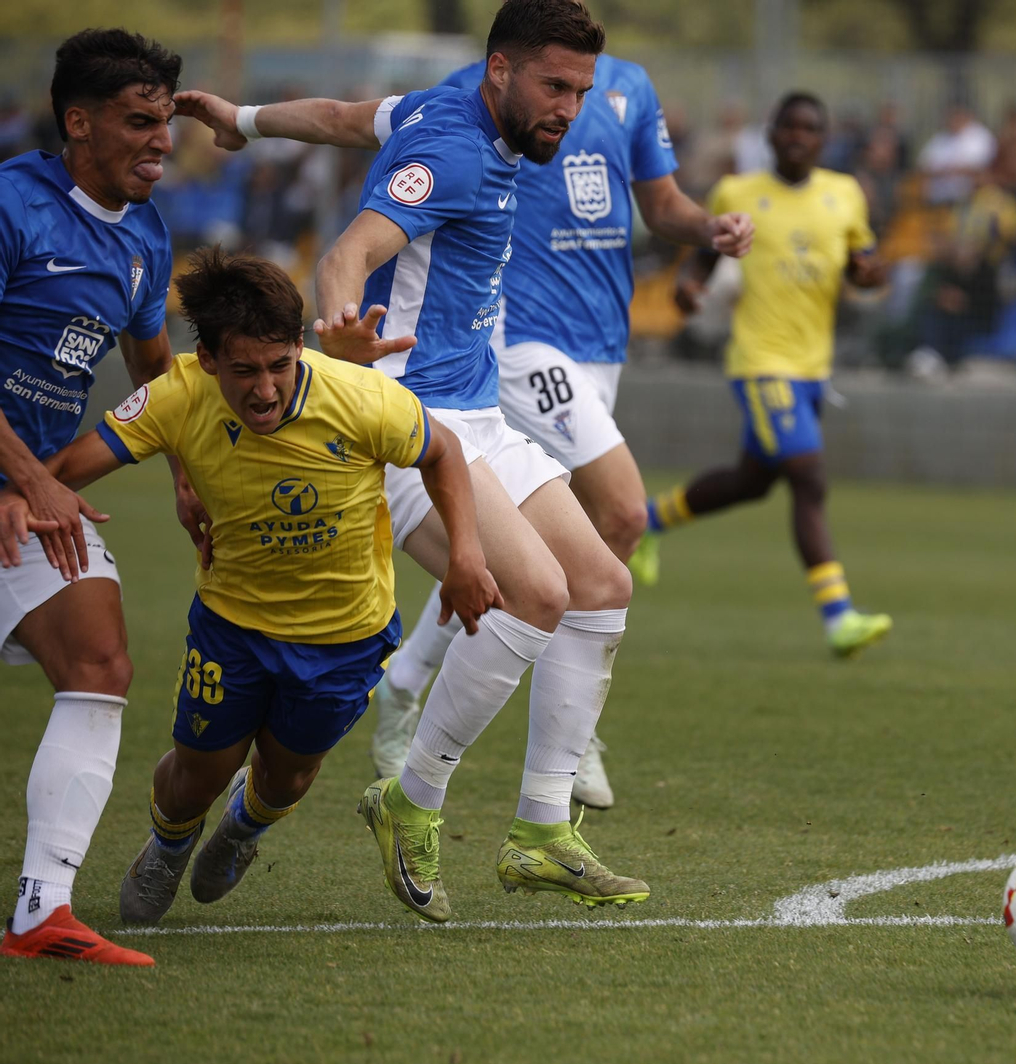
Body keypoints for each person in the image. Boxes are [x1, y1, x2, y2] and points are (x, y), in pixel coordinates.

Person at [175, 0, 646, 920]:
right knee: (538, 593)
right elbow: (350, 252)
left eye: (583, 91)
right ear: (500, 71)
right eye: (555, 86)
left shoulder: (441, 106)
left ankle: (544, 828)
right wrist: (342, 349)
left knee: (602, 582)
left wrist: (242, 121)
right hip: (410, 423)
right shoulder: (456, 152)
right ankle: (409, 798)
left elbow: (350, 120)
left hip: (476, 412)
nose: (570, 108)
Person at [9, 249, 492, 926]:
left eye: (278, 365)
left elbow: (442, 453)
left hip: (345, 635)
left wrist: (466, 553)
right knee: (194, 774)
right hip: (232, 624)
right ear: (207, 359)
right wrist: (25, 492)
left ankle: (241, 831)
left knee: (287, 774)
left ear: (300, 345)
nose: (264, 388)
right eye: (243, 371)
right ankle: (170, 845)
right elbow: (72, 464)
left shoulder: (361, 397)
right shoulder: (176, 396)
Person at [366, 44, 755, 807]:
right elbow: (370, 127)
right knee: (619, 510)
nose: (566, 103)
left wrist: (710, 228)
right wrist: (251, 120)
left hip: (600, 339)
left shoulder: (630, 87)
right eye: (557, 86)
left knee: (526, 544)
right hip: (518, 339)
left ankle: (411, 681)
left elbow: (663, 205)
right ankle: (564, 748)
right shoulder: (493, 89)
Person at [0, 28, 202, 968]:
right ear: (78, 122)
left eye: (165, 121)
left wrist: (183, 469)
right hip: (21, 489)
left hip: (26, 500)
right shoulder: (11, 203)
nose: (160, 140)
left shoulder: (147, 237)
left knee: (102, 659)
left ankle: (44, 911)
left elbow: (152, 364)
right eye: (138, 121)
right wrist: (31, 476)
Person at [635, 92, 892, 657]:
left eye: (811, 130)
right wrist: (691, 284)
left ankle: (649, 519)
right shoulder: (739, 192)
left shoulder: (844, 194)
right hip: (760, 362)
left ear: (823, 141)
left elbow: (864, 267)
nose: (799, 137)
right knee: (808, 475)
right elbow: (709, 251)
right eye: (789, 128)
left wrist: (872, 274)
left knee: (753, 481)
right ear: (772, 135)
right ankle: (838, 615)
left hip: (813, 369)